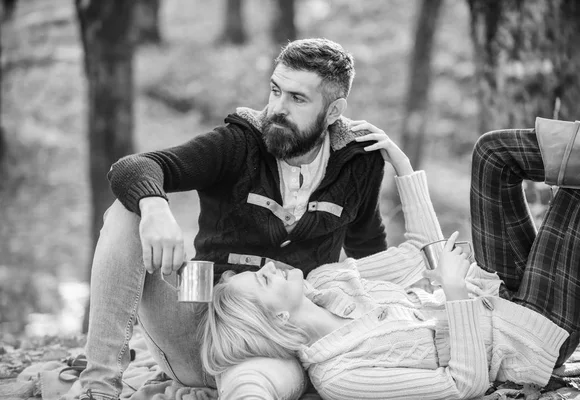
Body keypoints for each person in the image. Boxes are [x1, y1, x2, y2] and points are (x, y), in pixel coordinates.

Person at [78, 38, 389, 400]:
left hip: (279, 343)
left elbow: (371, 253)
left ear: (334, 111)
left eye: (297, 99)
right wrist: (155, 207)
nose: (277, 108)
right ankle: (98, 390)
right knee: (126, 211)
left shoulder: (360, 161)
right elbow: (135, 166)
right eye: (275, 90)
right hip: (198, 310)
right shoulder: (238, 142)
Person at [201, 118, 580, 399]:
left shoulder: (325, 281)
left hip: (496, 288)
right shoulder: (341, 376)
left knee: (492, 153)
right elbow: (463, 383)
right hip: (529, 336)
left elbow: (419, 254)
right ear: (279, 320)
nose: (270, 265)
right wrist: (455, 291)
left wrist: (402, 167)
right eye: (264, 280)